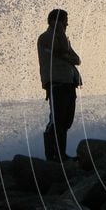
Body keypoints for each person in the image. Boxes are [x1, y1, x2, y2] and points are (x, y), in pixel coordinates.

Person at [37, 9, 81, 162]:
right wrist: (59, 30)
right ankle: (53, 155)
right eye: (64, 21)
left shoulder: (63, 39)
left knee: (66, 121)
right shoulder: (45, 38)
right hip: (56, 84)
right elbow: (62, 49)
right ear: (55, 22)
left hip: (69, 83)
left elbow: (77, 59)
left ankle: (61, 154)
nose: (67, 24)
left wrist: (64, 56)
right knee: (57, 121)